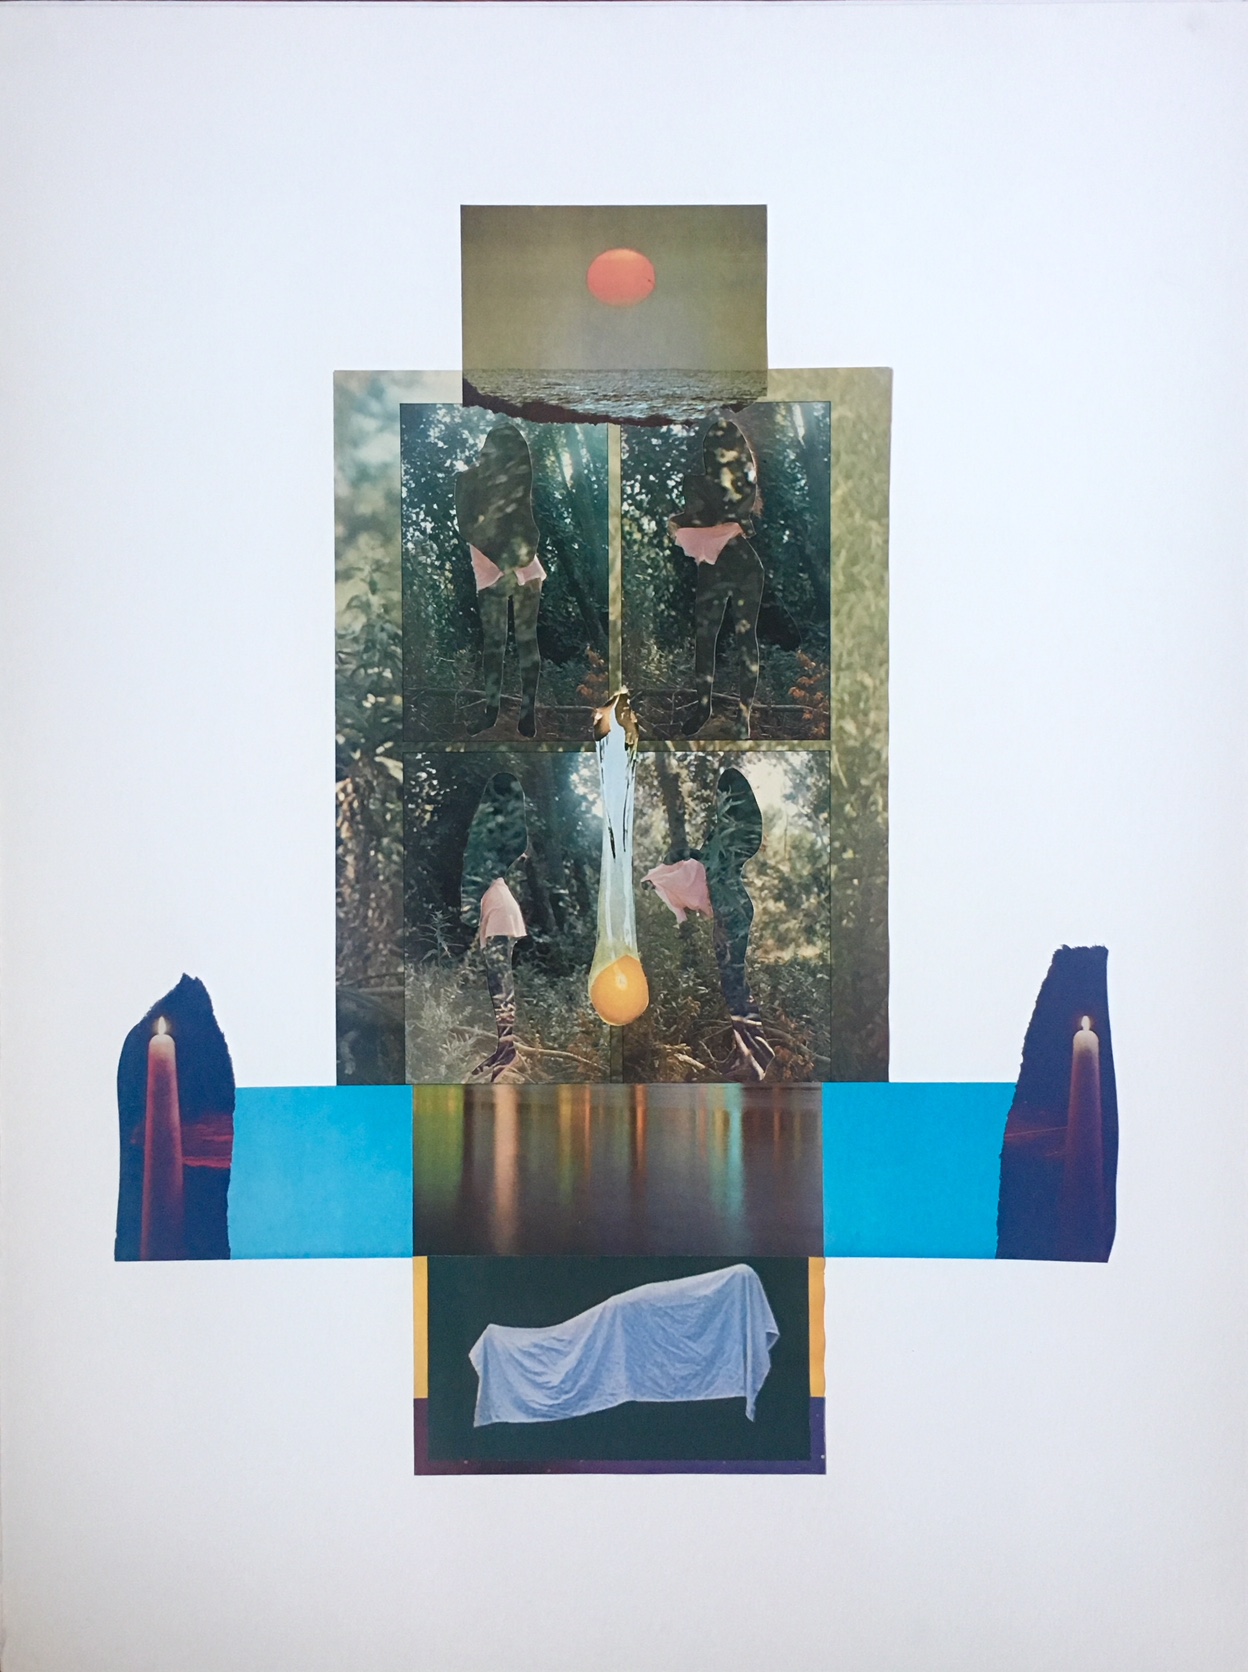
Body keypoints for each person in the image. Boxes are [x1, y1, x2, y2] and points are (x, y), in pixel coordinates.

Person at [667, 415, 764, 740]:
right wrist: (682, 520)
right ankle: (705, 708)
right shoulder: (702, 483)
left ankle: (742, 717)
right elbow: (706, 517)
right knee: (707, 638)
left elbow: (712, 516)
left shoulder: (741, 484)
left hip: (741, 567)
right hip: (718, 565)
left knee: (742, 639)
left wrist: (678, 521)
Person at [455, 422, 546, 737]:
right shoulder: (467, 480)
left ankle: (528, 714)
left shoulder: (515, 481)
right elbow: (468, 527)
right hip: (489, 565)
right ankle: (490, 713)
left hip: (523, 565)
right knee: (494, 643)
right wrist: (503, 564)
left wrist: (518, 561)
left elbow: (528, 526)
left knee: (526, 640)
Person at [460, 772, 530, 1081]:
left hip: (499, 905)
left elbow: (479, 872)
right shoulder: (493, 828)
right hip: (496, 902)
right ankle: (503, 1049)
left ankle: (508, 1050)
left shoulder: (489, 829)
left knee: (501, 982)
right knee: (497, 982)